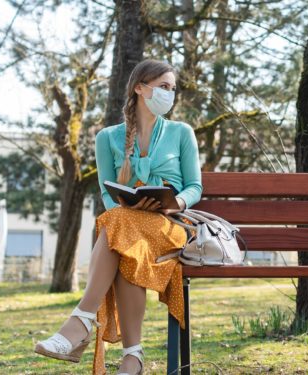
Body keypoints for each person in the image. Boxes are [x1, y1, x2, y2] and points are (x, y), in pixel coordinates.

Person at [34, 59, 202, 375]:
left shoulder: (181, 132)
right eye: (163, 87)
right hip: (127, 222)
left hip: (170, 224)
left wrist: (173, 202)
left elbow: (195, 186)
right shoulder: (107, 138)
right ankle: (132, 358)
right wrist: (130, 206)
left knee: (118, 227)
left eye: (172, 88)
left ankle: (80, 325)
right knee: (123, 236)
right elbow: (108, 195)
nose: (170, 94)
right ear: (140, 87)